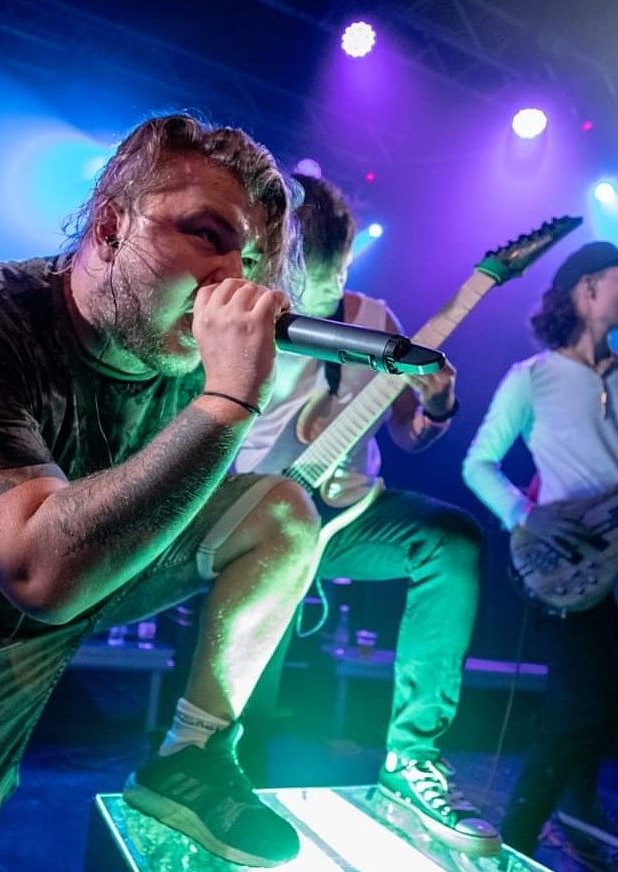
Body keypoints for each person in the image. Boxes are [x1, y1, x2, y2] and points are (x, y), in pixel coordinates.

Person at [0, 113, 324, 871]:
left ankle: (194, 757)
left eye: (249, 260)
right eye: (207, 236)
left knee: (281, 514)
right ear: (111, 226)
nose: (233, 282)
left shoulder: (187, 349)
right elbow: (37, 571)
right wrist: (229, 402)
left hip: (122, 559)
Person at [233, 173, 501, 856]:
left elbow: (411, 432)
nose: (326, 291)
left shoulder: (377, 319)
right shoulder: (248, 316)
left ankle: (412, 758)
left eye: (340, 271)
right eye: (312, 275)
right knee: (248, 703)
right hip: (259, 517)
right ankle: (222, 776)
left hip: (354, 514)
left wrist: (438, 404)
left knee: (452, 542)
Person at [462, 241, 618, 857]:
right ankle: (515, 836)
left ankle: (580, 810)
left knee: (616, 697)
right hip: (561, 567)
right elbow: (479, 464)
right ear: (587, 289)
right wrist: (526, 516)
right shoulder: (531, 378)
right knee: (578, 704)